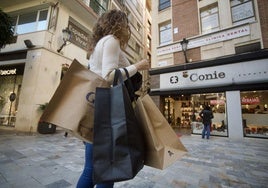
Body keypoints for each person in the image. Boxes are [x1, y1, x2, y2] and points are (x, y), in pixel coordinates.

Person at [76, 9, 149, 188]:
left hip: (95, 108)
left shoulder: (99, 43)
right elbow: (109, 76)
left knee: (91, 168)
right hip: (106, 112)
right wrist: (138, 66)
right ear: (120, 24)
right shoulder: (111, 41)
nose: (127, 28)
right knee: (108, 171)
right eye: (126, 24)